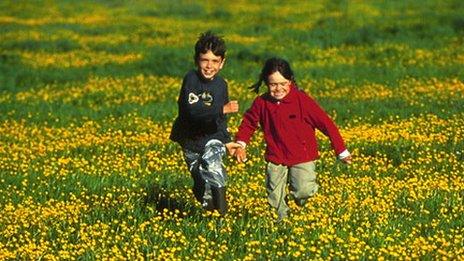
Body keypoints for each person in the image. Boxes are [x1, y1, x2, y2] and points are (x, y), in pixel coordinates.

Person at [233, 57, 351, 220]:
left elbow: (326, 124)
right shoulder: (262, 103)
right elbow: (248, 123)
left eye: (283, 84)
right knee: (274, 198)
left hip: (302, 156)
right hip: (276, 156)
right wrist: (241, 144)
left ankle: (304, 210)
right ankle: (282, 224)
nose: (278, 88)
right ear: (266, 83)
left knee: (303, 191)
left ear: (290, 81)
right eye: (273, 84)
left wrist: (341, 151)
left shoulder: (302, 100)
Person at [170, 31, 240, 215]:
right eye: (204, 60)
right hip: (191, 140)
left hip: (212, 138)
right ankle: (205, 197)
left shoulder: (221, 85)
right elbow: (193, 112)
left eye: (215, 61)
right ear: (196, 60)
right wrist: (221, 109)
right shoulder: (191, 80)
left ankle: (224, 217)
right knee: (202, 185)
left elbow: (220, 120)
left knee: (215, 169)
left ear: (222, 63)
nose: (209, 66)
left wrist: (227, 140)